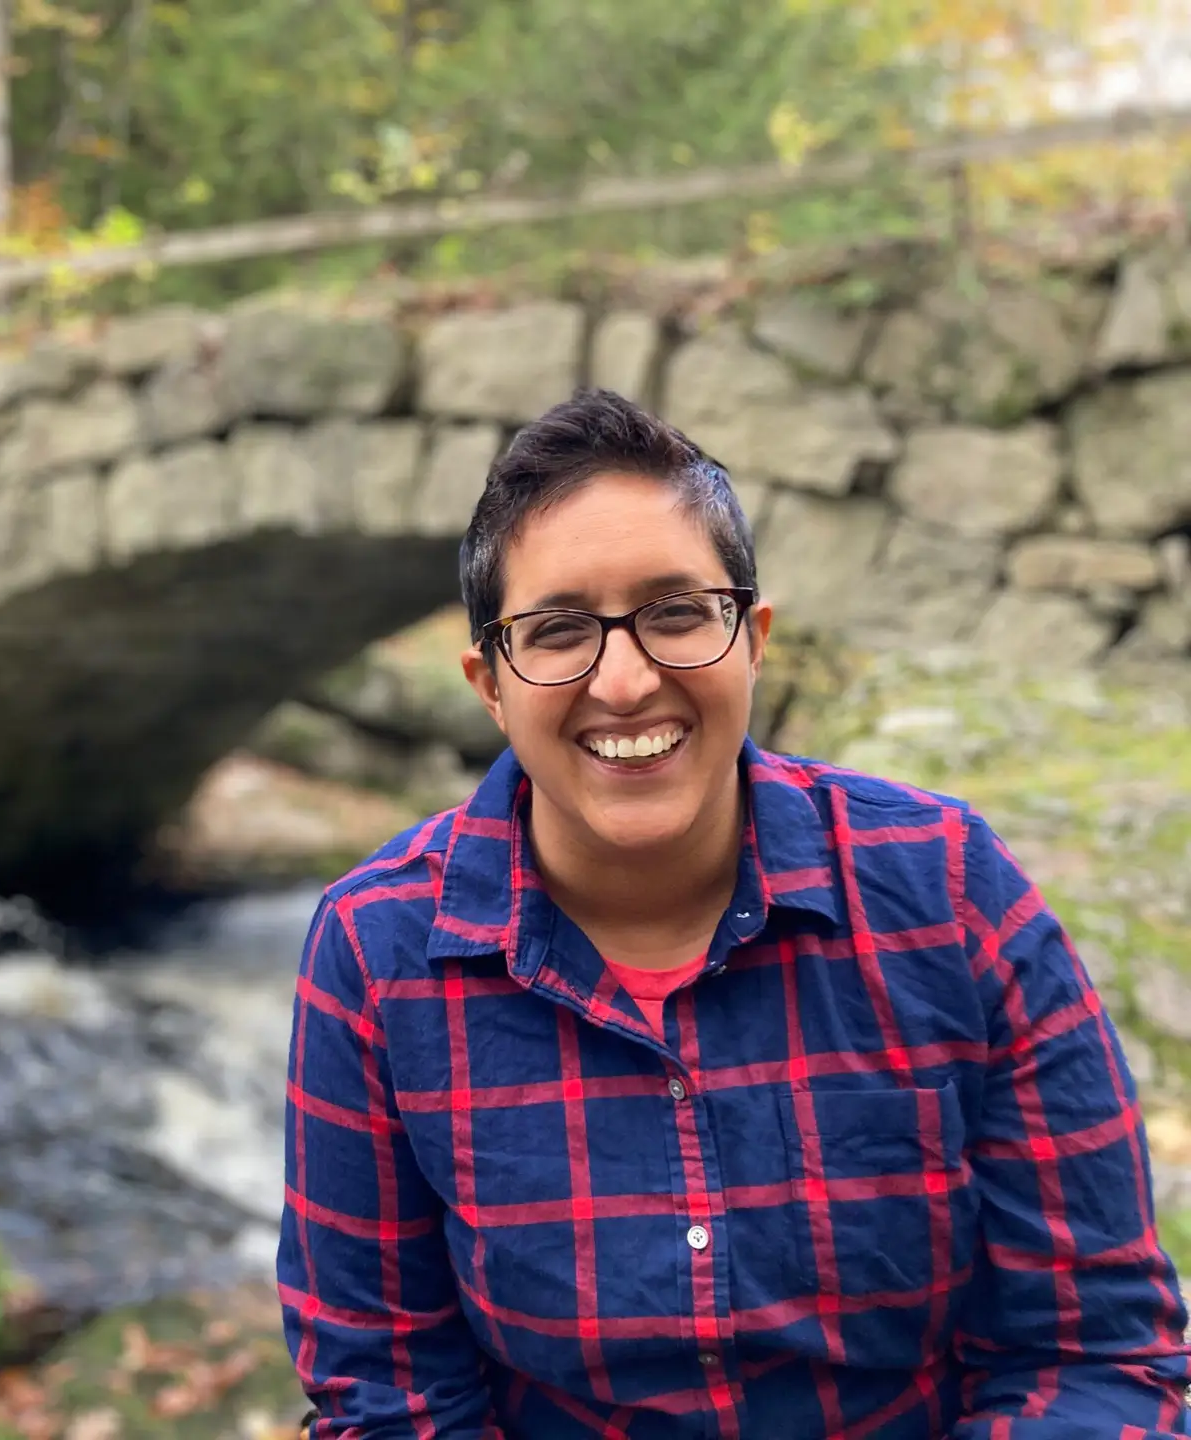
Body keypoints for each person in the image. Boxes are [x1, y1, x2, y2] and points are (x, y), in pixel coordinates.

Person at [276, 388, 1191, 1438]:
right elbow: (390, 1401)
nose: (624, 682)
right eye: (560, 631)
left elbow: (1091, 1353)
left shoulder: (946, 893)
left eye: (675, 614)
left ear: (751, 638)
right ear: (490, 683)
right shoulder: (377, 955)